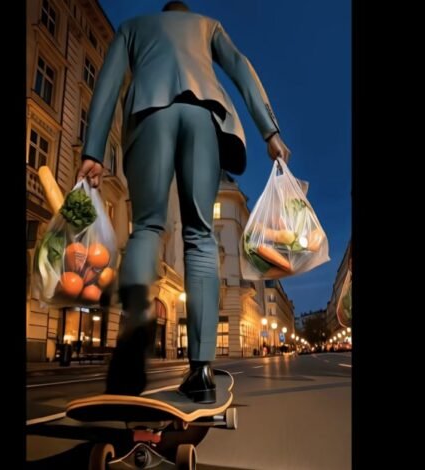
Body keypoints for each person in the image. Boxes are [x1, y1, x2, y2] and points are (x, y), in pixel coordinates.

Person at [76, 1, 290, 403]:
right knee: (201, 238)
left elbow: (106, 83)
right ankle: (202, 372)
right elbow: (242, 68)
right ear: (185, 15)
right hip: (203, 117)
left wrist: (93, 150)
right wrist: (270, 131)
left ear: (162, 14)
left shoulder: (134, 27)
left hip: (147, 113)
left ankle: (133, 340)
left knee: (147, 227)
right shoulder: (208, 26)